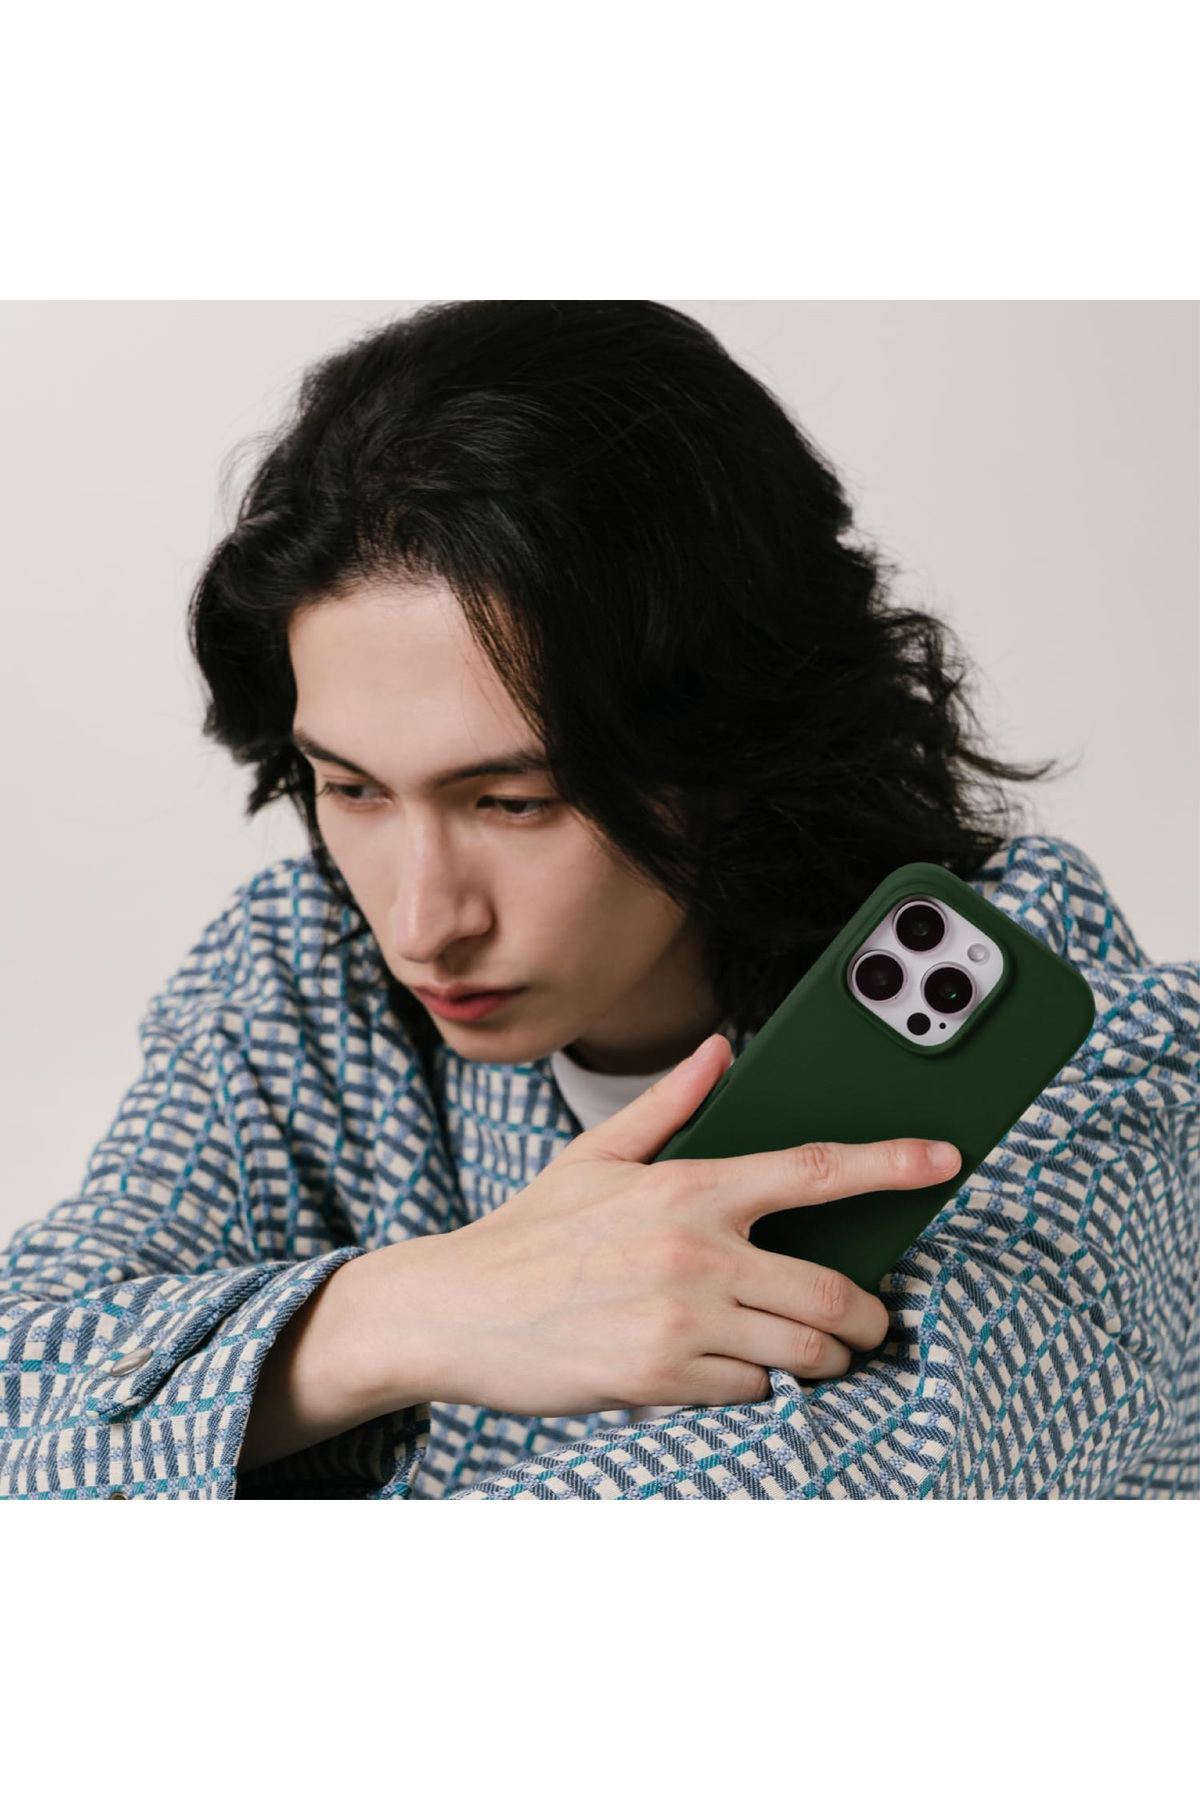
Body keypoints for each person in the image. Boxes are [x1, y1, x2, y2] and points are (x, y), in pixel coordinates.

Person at [2, 300, 1195, 1500]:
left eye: (513, 802)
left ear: (732, 737)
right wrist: (413, 1310)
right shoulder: (305, 976)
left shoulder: (1089, 1071)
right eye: (352, 789)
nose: (420, 923)